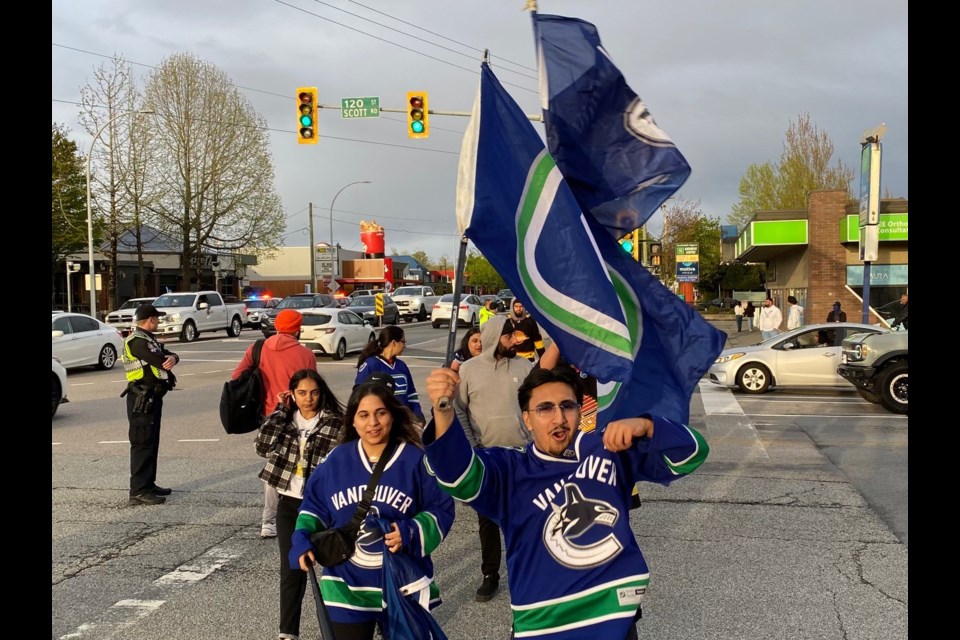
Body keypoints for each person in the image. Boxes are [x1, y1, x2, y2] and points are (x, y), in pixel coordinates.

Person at [422, 365, 710, 640]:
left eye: (567, 406)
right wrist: (443, 410)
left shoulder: (608, 448)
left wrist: (648, 425)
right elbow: (457, 476)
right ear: (527, 419)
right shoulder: (511, 468)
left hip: (614, 619)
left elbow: (691, 454)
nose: (559, 418)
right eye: (545, 408)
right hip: (545, 625)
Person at [290, 380, 455, 640]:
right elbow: (314, 506)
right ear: (353, 421)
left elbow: (441, 507)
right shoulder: (336, 461)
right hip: (346, 586)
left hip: (402, 584)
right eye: (363, 415)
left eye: (381, 413)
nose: (373, 423)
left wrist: (410, 530)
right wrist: (301, 538)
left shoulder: (415, 459)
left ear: (393, 415)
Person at [256, 369, 345, 640]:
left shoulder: (335, 422)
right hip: (290, 503)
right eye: (302, 393)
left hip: (326, 505)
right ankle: (288, 632)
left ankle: (358, 620)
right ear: (292, 394)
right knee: (292, 566)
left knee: (340, 562)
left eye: (314, 392)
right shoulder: (283, 420)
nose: (309, 399)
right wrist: (279, 413)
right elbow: (262, 446)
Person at [453, 315, 533, 602]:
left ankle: (526, 573)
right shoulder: (468, 370)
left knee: (525, 518)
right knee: (487, 520)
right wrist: (472, 447)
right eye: (509, 336)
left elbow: (536, 405)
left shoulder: (525, 367)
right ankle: (490, 574)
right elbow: (459, 410)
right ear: (494, 337)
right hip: (486, 457)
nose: (515, 341)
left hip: (523, 457)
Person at [233, 308, 318, 539]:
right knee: (301, 464)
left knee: (274, 466)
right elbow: (311, 387)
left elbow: (237, 376)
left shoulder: (258, 348)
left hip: (268, 415)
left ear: (277, 326)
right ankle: (303, 514)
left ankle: (268, 522)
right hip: (296, 415)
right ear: (298, 329)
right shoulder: (305, 354)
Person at [121, 304, 179, 506]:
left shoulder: (148, 339)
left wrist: (173, 357)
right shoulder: (137, 341)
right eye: (157, 318)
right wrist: (168, 359)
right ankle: (138, 490)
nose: (159, 322)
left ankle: (148, 484)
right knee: (142, 443)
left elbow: (167, 355)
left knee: (151, 441)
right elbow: (158, 359)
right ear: (150, 319)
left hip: (152, 397)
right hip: (141, 398)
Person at [355, 325, 424, 424]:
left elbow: (411, 393)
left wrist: (418, 414)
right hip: (381, 423)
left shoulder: (402, 366)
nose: (404, 346)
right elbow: (358, 395)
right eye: (403, 341)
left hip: (403, 422)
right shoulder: (370, 365)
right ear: (394, 343)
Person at [506, 297, 545, 362]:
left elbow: (537, 340)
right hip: (511, 358)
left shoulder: (530, 321)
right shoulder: (507, 321)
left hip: (528, 357)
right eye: (516, 306)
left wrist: (543, 358)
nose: (518, 309)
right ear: (512, 307)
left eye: (521, 306)